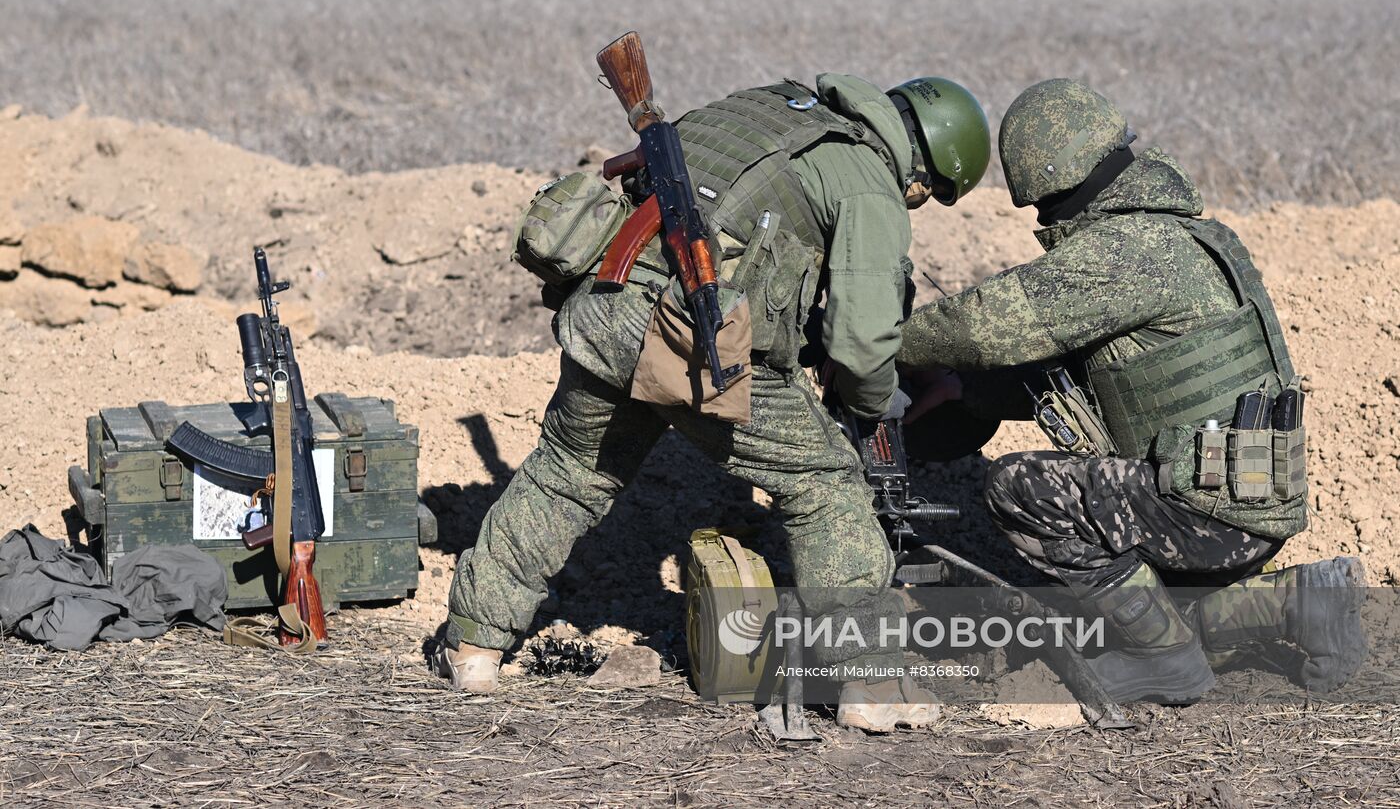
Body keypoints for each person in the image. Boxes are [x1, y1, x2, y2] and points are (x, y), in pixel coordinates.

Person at [439, 72, 992, 732]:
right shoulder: (869, 179)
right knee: (825, 483)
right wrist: (871, 406)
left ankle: (474, 644)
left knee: (566, 473)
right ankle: (868, 680)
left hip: (607, 307)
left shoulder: (767, 106)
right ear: (923, 180)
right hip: (689, 335)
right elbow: (865, 343)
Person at [897, 78, 1365, 704]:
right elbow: (1096, 375)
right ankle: (1303, 601)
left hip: (1206, 509)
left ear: (1059, 183)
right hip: (1248, 496)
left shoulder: (1127, 252)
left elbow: (985, 326)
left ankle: (1166, 662)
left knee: (1020, 487)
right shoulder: (1193, 237)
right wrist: (969, 393)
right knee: (1134, 609)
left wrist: (869, 339)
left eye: (1042, 207)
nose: (1043, 221)